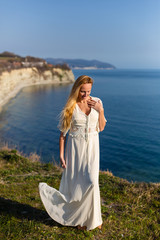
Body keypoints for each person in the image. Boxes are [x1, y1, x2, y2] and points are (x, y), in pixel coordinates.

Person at [39, 75, 107, 231]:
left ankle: (94, 219)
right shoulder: (71, 107)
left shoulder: (97, 102)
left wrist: (100, 110)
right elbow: (63, 135)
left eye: (88, 91)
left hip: (92, 149)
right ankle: (82, 220)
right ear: (77, 89)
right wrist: (62, 155)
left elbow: (101, 127)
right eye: (83, 91)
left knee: (92, 182)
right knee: (78, 186)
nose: (86, 95)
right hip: (75, 151)